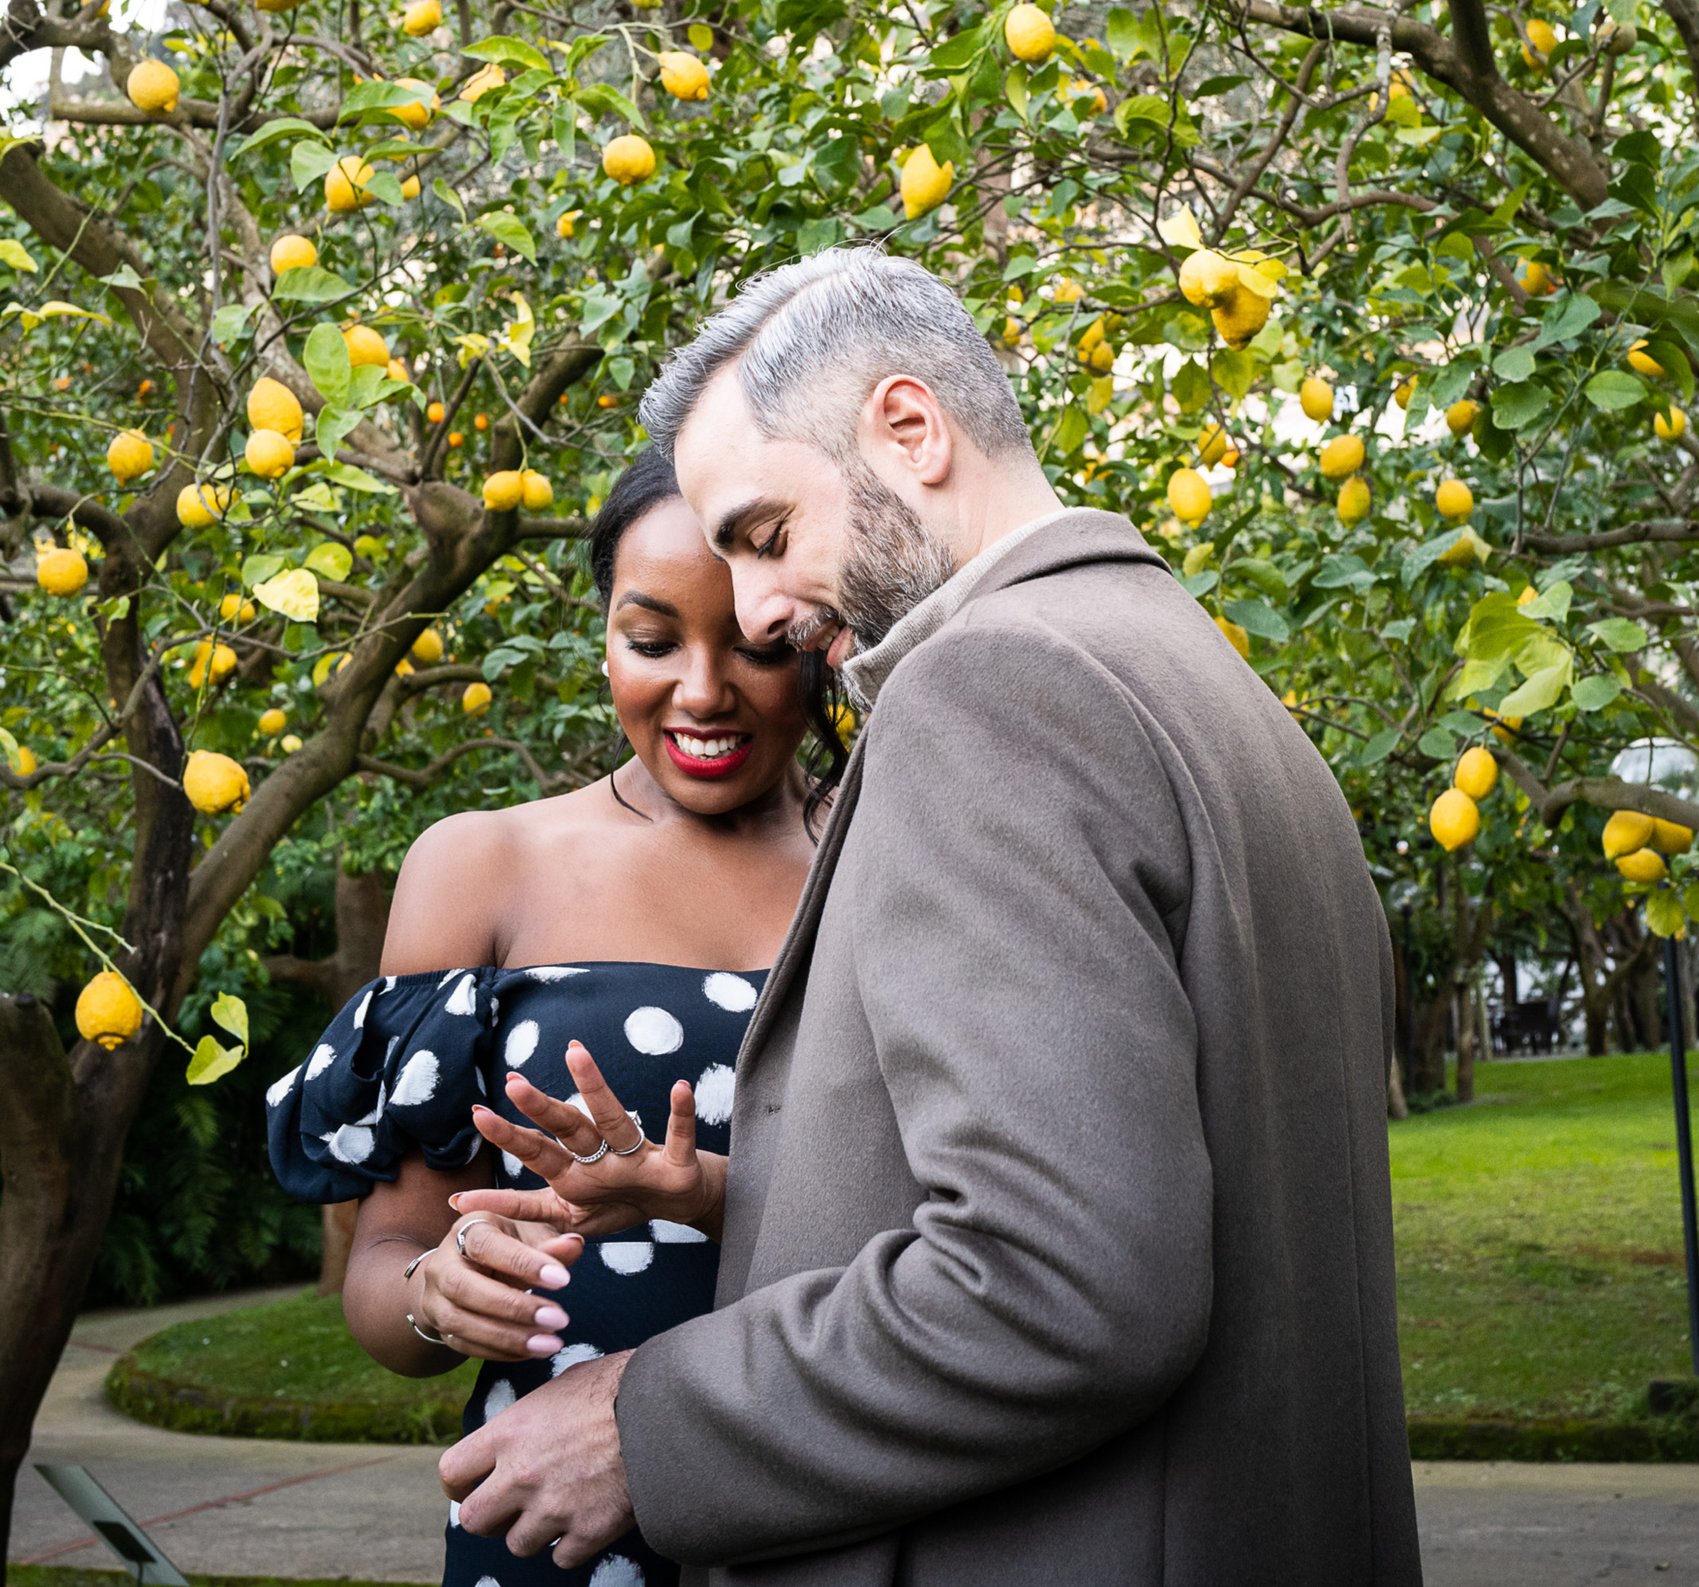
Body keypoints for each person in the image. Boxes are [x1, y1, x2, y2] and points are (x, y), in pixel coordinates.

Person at [440, 246, 1423, 1586]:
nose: (762, 614)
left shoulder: (991, 689)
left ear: (911, 429)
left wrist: (644, 1421)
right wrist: (732, 1192)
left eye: (767, 537)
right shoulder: (1211, 684)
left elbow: (1059, 1283)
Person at [265, 451, 824, 1587]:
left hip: (831, 1502)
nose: (704, 691)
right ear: (604, 638)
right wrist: (440, 1289)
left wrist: (720, 1201)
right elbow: (387, 1267)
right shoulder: (484, 866)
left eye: (759, 646)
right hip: (558, 1530)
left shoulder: (898, 855)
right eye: (653, 639)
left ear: (820, 642)